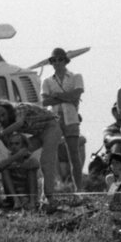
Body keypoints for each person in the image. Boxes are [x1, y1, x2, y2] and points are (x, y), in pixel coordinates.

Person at [0, 101, 63, 204]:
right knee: (19, 152)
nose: (2, 119)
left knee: (46, 161)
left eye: (3, 115)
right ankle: (21, 195)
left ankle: (49, 197)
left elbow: (20, 123)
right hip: (39, 134)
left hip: (51, 127)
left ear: (9, 111)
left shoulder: (20, 108)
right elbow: (12, 147)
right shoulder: (9, 125)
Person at [41, 48, 85, 191]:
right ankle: (54, 187)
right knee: (51, 155)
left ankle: (79, 189)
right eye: (54, 60)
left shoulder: (76, 76)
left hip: (71, 119)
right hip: (54, 119)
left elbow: (76, 95)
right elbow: (45, 102)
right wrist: (66, 96)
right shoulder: (46, 81)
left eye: (60, 59)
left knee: (74, 154)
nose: (57, 62)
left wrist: (56, 96)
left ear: (65, 61)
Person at [0, 131, 40, 210]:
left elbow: (35, 164)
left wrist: (17, 165)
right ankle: (16, 201)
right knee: (4, 170)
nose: (14, 146)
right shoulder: (8, 160)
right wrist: (16, 156)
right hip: (13, 195)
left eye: (17, 143)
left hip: (27, 192)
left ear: (23, 145)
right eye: (11, 144)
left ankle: (32, 202)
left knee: (31, 170)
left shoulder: (29, 159)